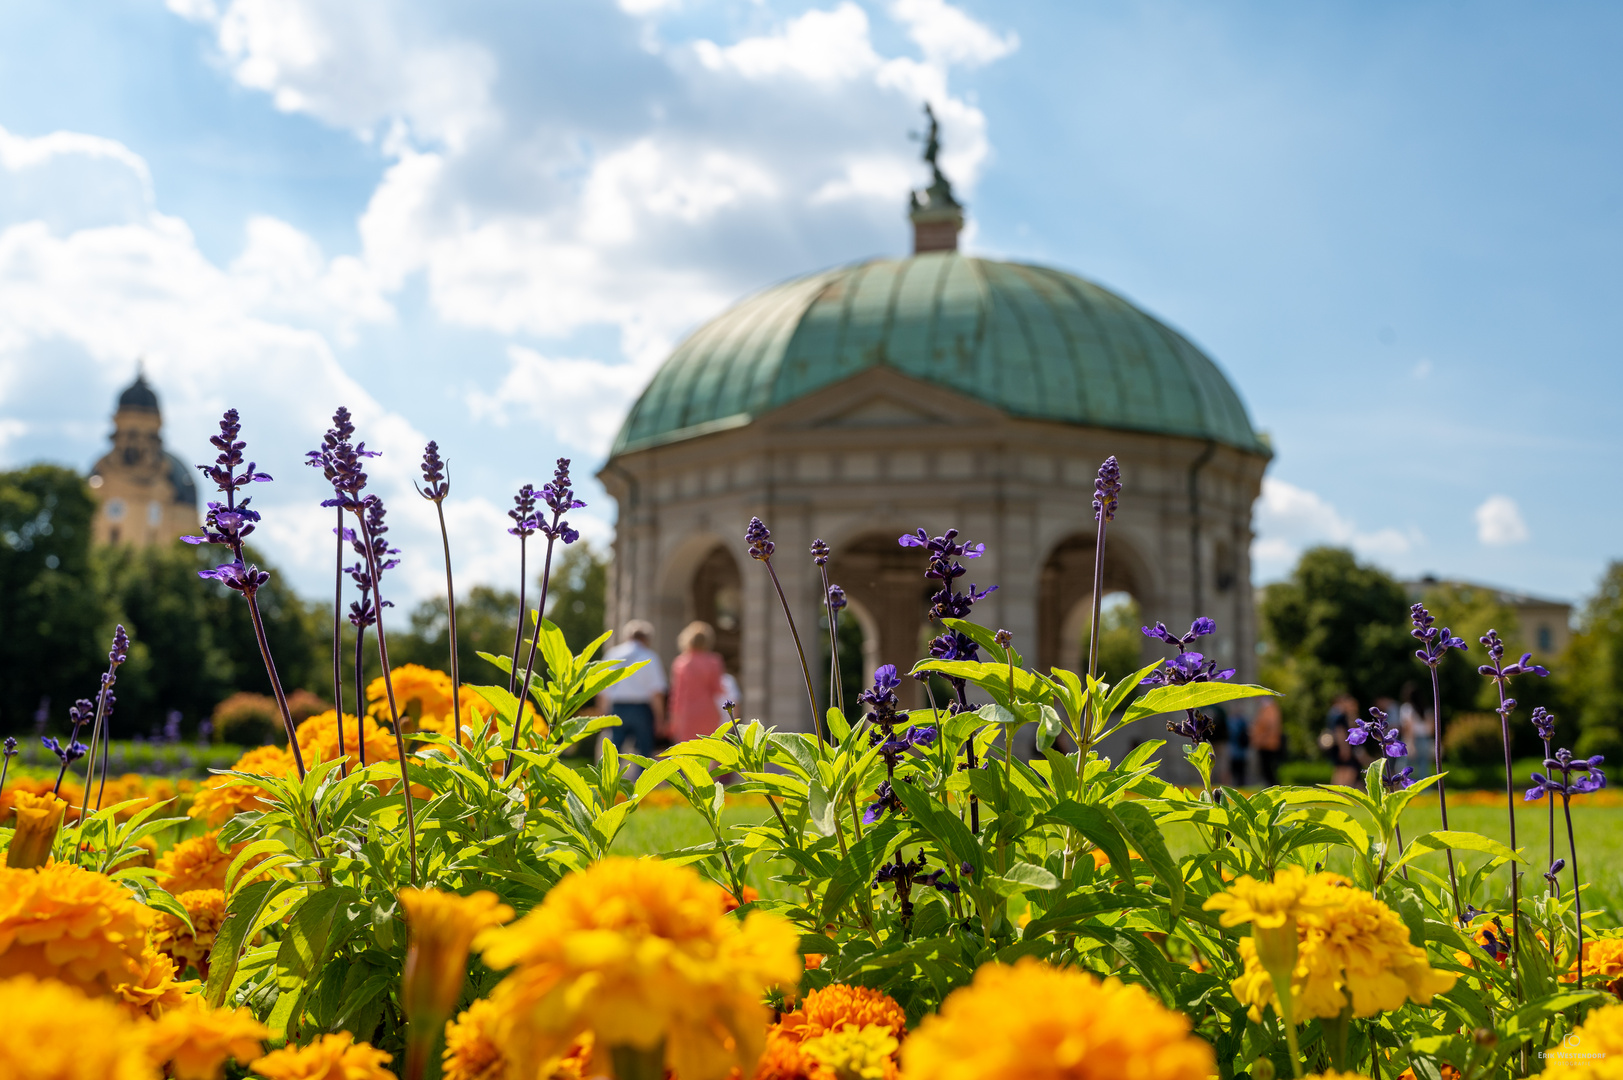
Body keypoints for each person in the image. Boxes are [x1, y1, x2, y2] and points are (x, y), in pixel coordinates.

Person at [598, 620, 667, 759]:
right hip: (641, 710)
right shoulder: (650, 656)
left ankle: (607, 780)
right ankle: (645, 780)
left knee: (612, 755)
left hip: (617, 708)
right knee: (644, 754)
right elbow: (656, 692)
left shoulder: (612, 654)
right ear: (646, 639)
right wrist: (660, 718)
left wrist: (602, 715)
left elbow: (602, 689)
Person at [667, 621, 728, 743]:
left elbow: (677, 696)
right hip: (708, 711)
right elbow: (718, 689)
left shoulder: (681, 663)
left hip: (687, 713)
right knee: (710, 749)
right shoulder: (714, 661)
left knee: (688, 751)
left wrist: (673, 721)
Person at [1324, 693, 1360, 787]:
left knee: (1340, 770)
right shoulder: (1339, 715)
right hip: (1344, 748)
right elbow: (1340, 732)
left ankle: (1335, 795)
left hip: (1339, 748)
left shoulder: (1333, 713)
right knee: (1348, 771)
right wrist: (1344, 748)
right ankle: (1340, 794)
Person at [1252, 696, 1283, 786]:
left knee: (1268, 769)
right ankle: (1271, 785)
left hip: (1267, 743)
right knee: (1267, 769)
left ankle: (1273, 786)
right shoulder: (1267, 707)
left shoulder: (1269, 708)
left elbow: (1269, 724)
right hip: (1265, 743)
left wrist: (1261, 737)